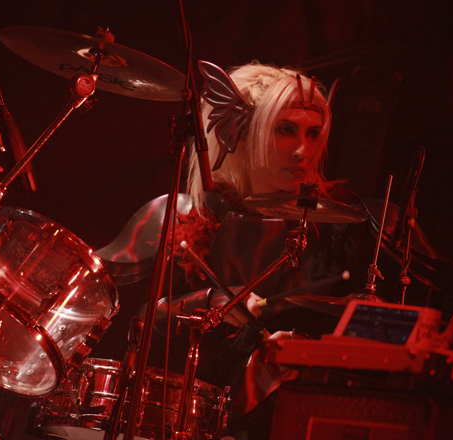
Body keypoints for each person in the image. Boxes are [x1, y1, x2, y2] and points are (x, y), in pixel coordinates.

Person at [143, 60, 377, 439]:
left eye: (314, 134)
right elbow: (128, 322)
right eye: (285, 130)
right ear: (241, 133)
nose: (303, 151)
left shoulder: (342, 232)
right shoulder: (180, 217)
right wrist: (212, 302)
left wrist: (307, 352)